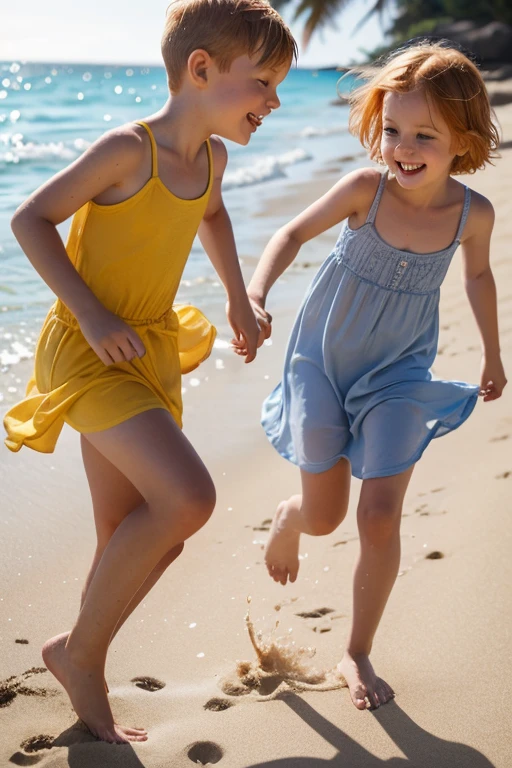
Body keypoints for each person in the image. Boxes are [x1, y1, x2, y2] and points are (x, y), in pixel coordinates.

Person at [4, 0, 295, 743]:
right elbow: (30, 219)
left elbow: (213, 217)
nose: (275, 99)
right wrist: (94, 315)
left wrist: (238, 294)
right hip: (89, 347)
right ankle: (83, 654)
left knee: (134, 535)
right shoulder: (126, 150)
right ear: (200, 70)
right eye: (262, 81)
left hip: (148, 351)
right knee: (188, 498)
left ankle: (75, 649)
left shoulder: (213, 160)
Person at [245, 42, 507, 712]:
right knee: (327, 516)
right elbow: (291, 236)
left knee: (381, 513)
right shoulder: (367, 189)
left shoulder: (472, 214)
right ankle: (290, 516)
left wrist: (492, 353)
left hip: (398, 374)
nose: (403, 148)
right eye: (392, 130)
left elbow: (477, 275)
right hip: (322, 367)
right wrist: (255, 293)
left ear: (464, 141)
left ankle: (356, 649)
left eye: (425, 135)